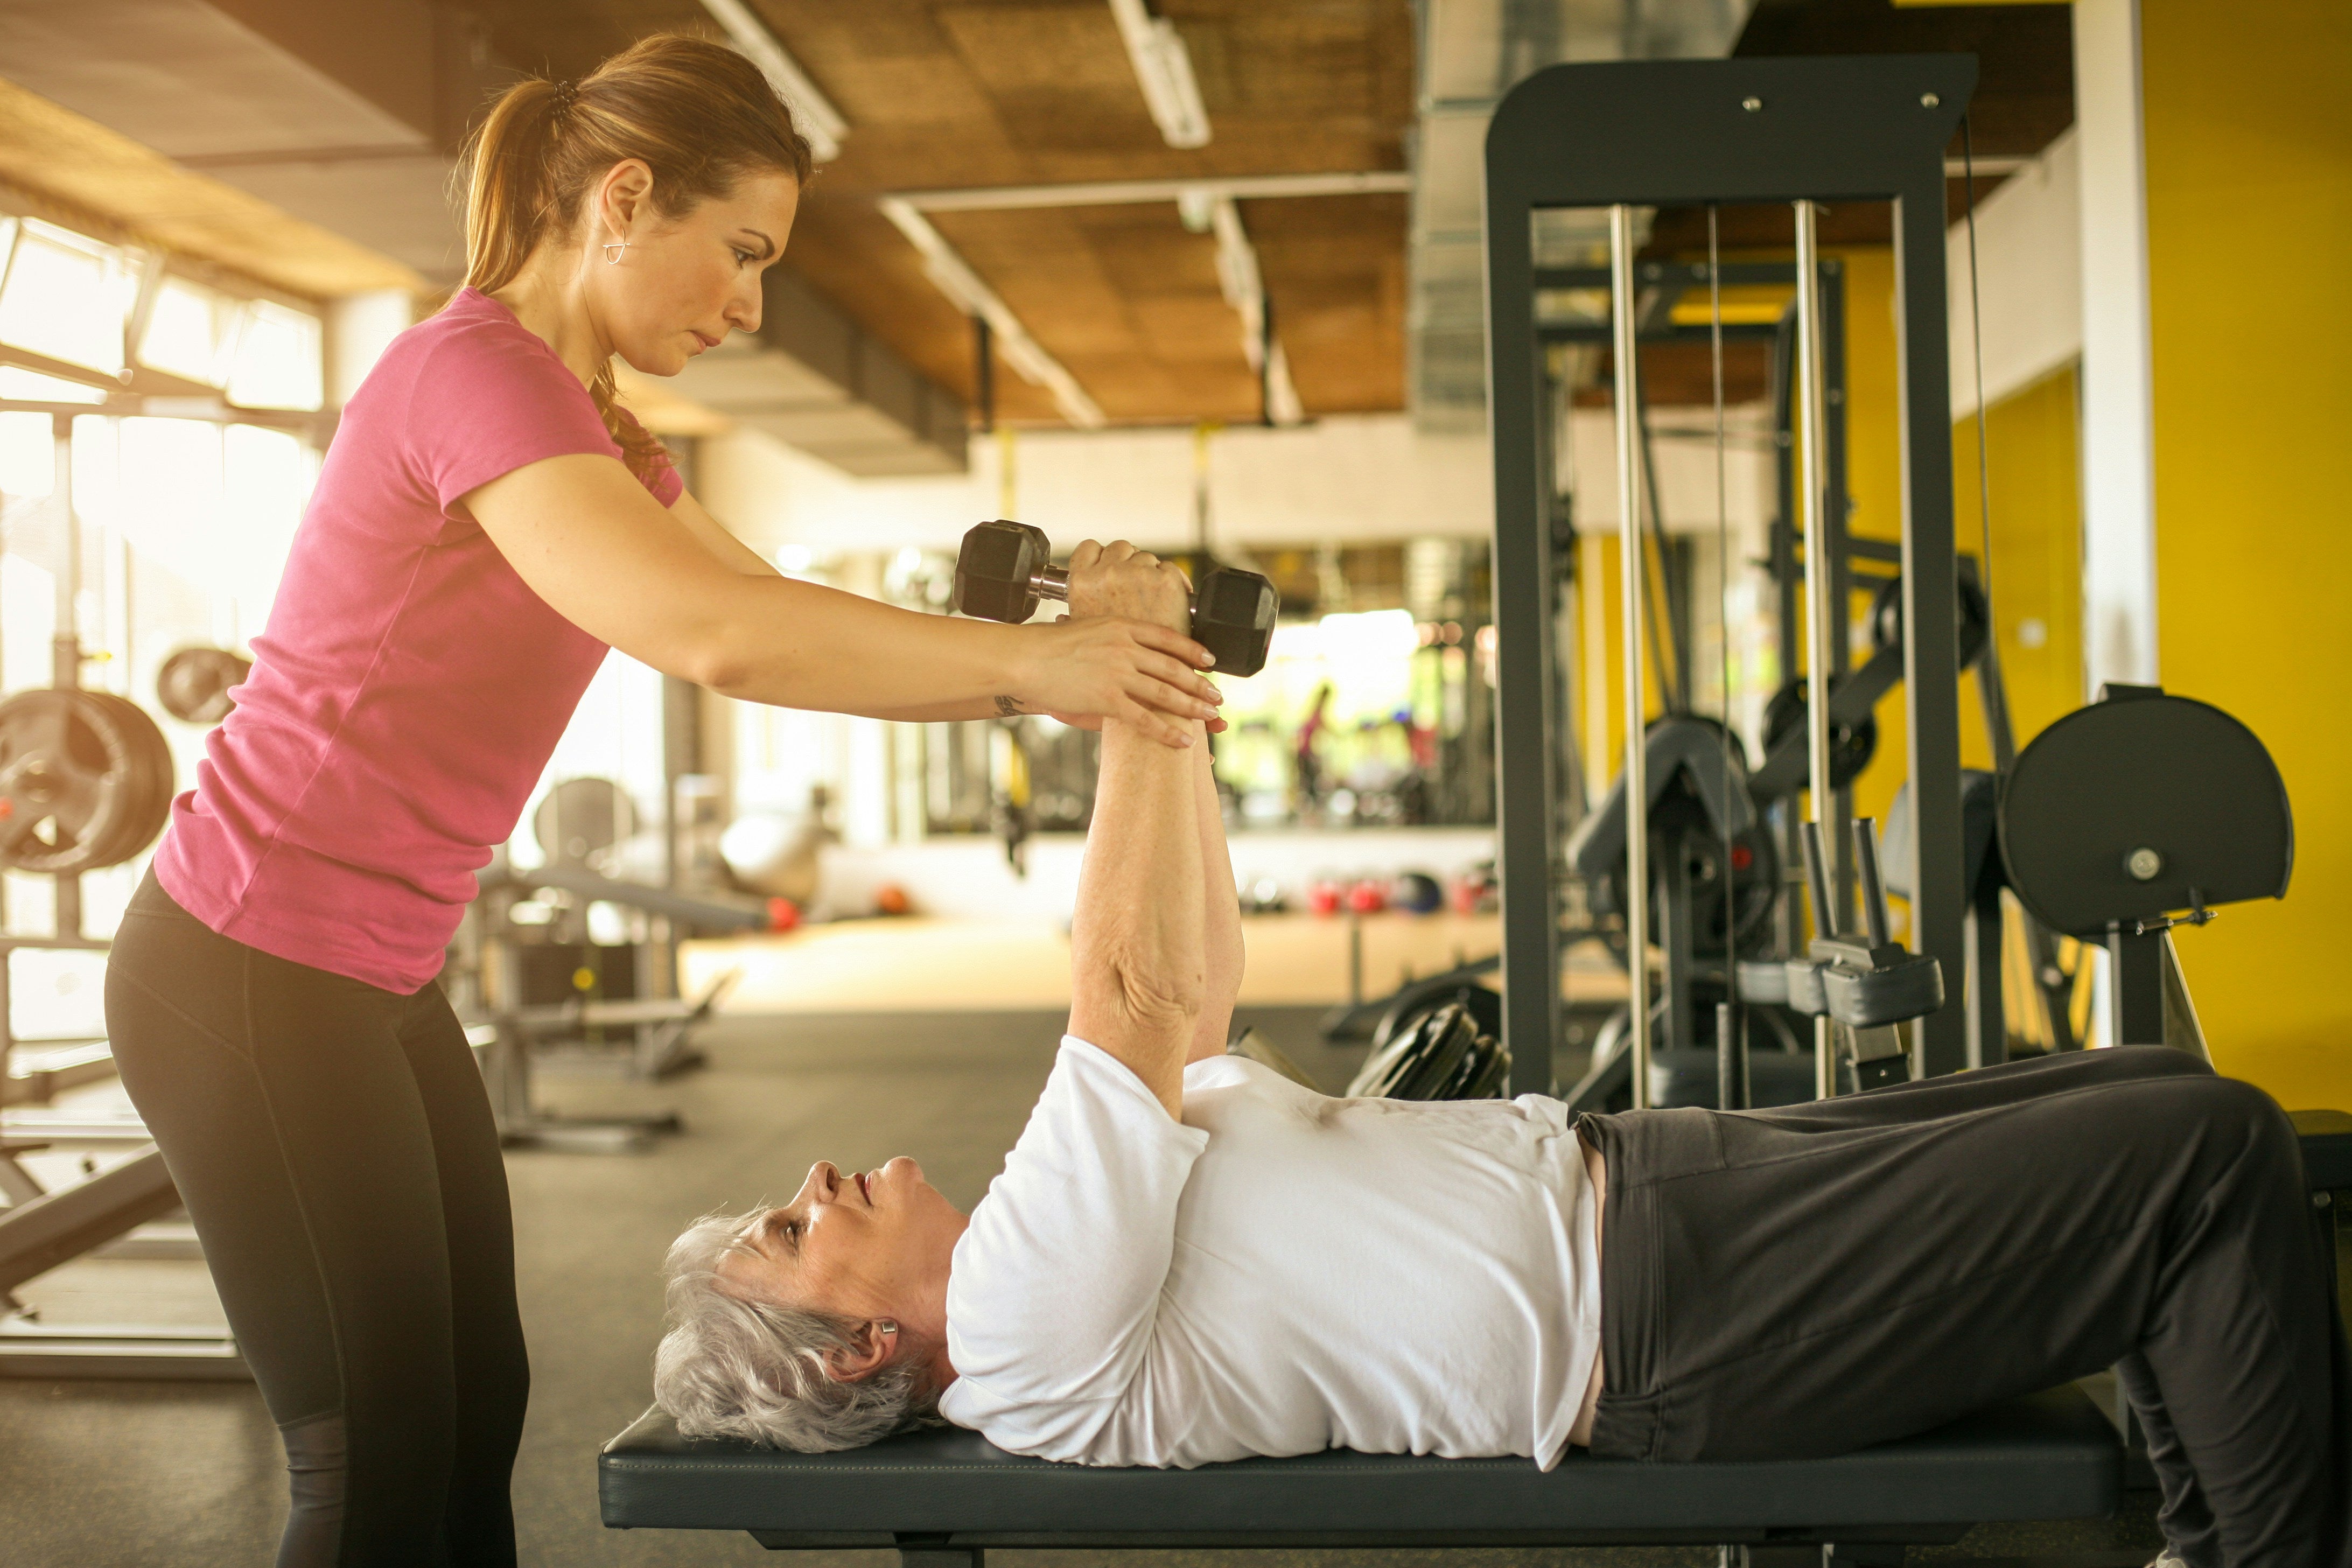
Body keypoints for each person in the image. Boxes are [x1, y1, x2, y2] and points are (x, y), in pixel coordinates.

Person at [655, 544, 2351, 1568]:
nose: (809, 1186)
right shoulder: (1017, 1324)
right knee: (2212, 1155)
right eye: (794, 1234)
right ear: (871, 1346)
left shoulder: (1045, 1244)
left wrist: (1157, 700)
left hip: (1656, 1201)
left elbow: (1197, 986)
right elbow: (1127, 988)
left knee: (2154, 1108)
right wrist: (1129, 694)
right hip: (1671, 1313)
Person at [101, 34, 1225, 1568]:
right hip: (249, 967)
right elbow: (717, 642)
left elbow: (772, 599)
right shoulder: (469, 378)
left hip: (377, 976)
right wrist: (1049, 674)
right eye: (742, 254)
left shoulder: (596, 423)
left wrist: (1061, 665)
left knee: (475, 1405)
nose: (753, 306)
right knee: (368, 1451)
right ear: (624, 197)